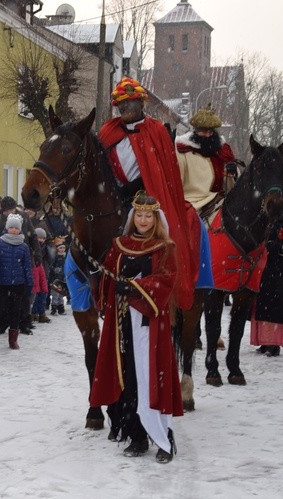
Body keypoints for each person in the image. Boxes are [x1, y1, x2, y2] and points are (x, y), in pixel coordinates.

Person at [90, 194, 182, 463]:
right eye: (139, 215)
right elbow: (108, 274)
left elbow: (166, 280)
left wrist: (135, 287)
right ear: (133, 218)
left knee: (151, 377)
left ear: (155, 219)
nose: (143, 220)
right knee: (128, 377)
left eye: (148, 216)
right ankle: (137, 436)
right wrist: (103, 280)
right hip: (122, 325)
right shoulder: (120, 246)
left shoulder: (164, 247)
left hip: (150, 324)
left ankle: (163, 438)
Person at [98, 76, 198, 309]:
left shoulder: (156, 131)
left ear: (141, 103)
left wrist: (139, 193)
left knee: (169, 228)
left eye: (129, 102)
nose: (124, 108)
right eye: (120, 104)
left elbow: (163, 172)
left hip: (146, 195)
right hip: (114, 195)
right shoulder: (108, 130)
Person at [250, 204, 283, 357]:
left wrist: (270, 246)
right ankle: (264, 342)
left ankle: (274, 344)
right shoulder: (262, 222)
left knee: (274, 309)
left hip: (278, 271)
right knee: (262, 307)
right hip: (263, 270)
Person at [175, 103, 238, 213]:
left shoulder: (222, 151)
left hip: (218, 200)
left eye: (211, 131)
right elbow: (177, 184)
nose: (208, 135)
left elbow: (232, 186)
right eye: (204, 131)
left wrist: (231, 173)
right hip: (193, 204)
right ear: (196, 130)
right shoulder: (182, 150)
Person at [0, 213, 34, 349]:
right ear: (7, 228)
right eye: (11, 227)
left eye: (16, 228)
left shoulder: (24, 246)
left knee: (16, 311)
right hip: (2, 282)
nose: (14, 230)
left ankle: (13, 340)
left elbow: (27, 266)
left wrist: (29, 282)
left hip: (18, 283)